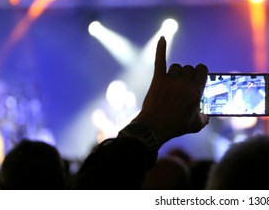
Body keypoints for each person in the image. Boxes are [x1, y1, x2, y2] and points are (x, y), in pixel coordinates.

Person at [74, 37, 209, 189]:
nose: (116, 97)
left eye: (119, 93)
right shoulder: (106, 107)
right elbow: (96, 117)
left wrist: (144, 128)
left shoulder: (129, 108)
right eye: (113, 94)